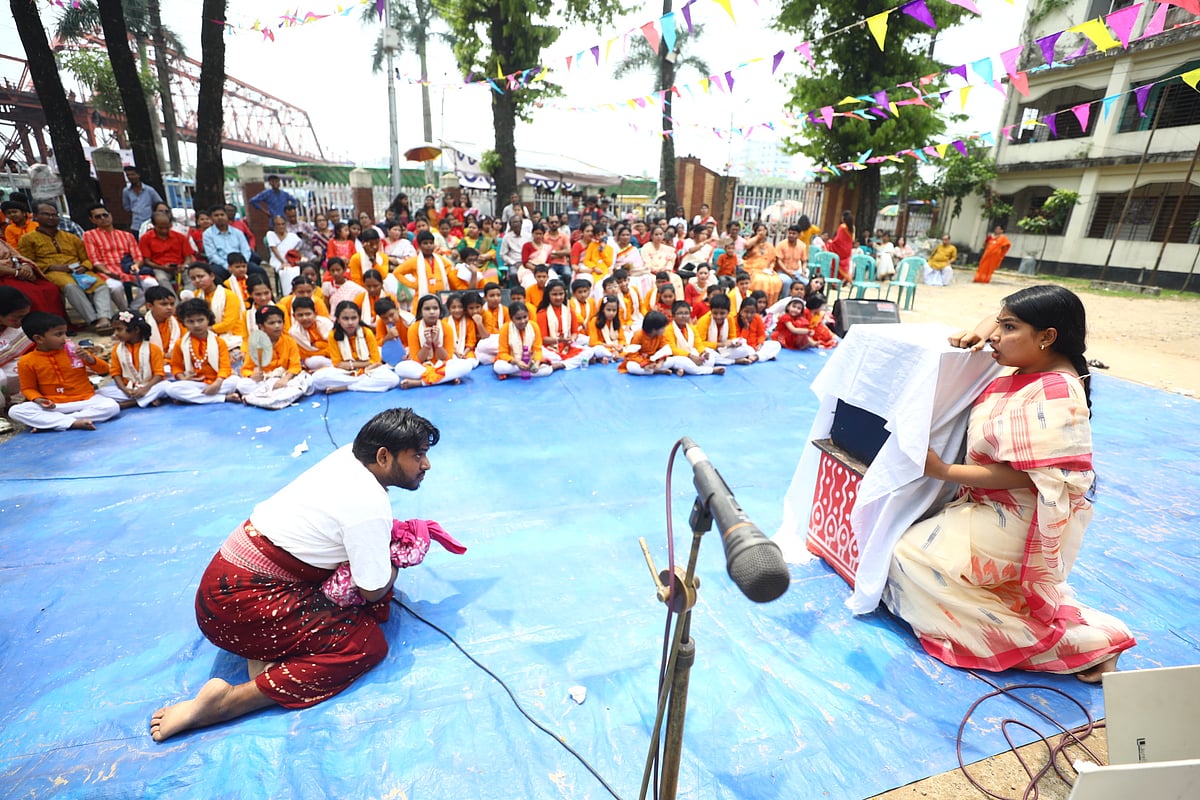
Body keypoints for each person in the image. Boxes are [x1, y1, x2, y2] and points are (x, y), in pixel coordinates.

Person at [882, 285, 1136, 680]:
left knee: (907, 558)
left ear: (1047, 337)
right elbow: (1002, 323)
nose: (996, 336)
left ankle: (1085, 646)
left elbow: (1025, 474)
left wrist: (943, 471)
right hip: (990, 506)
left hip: (1020, 517)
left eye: (1009, 327)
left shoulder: (1058, 389)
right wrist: (986, 327)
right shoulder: (1036, 363)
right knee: (913, 555)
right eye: (999, 324)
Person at [150, 408, 443, 741]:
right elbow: (373, 590)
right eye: (417, 455)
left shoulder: (348, 454)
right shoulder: (368, 507)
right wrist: (398, 558)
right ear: (383, 455)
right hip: (237, 613)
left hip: (218, 592)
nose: (426, 465)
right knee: (365, 643)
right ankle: (229, 703)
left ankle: (268, 649)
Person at [8, 311, 119, 431]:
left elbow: (104, 370)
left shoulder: (74, 351)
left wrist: (89, 358)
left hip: (85, 399)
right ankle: (66, 422)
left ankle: (59, 421)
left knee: (112, 407)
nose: (65, 338)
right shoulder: (26, 361)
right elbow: (28, 388)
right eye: (59, 334)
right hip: (53, 405)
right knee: (15, 411)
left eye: (65, 333)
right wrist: (38, 398)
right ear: (39, 339)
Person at [18, 203, 114, 333]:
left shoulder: (70, 237)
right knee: (70, 286)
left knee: (100, 285)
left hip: (78, 271)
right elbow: (28, 261)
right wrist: (51, 266)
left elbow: (87, 258)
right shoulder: (28, 239)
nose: (52, 218)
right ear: (35, 217)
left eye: (54, 215)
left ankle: (104, 319)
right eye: (46, 214)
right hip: (53, 272)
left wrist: (84, 266)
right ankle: (93, 321)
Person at [310, 301, 400, 394]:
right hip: (346, 373)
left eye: (354, 318)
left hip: (370, 371)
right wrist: (359, 365)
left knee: (393, 379)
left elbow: (376, 361)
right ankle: (363, 384)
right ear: (338, 319)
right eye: (345, 318)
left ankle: (348, 387)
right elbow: (338, 364)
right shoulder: (333, 335)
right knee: (317, 378)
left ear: (359, 318)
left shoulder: (366, 333)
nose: (350, 322)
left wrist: (351, 365)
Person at [164, 298, 240, 404]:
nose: (196, 325)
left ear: (208, 320)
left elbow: (225, 367)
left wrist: (217, 383)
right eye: (190, 321)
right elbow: (176, 366)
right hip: (195, 382)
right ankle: (222, 398)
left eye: (200, 320)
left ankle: (193, 398)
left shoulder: (219, 342)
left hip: (219, 381)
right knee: (171, 389)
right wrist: (183, 379)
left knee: (235, 382)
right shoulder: (180, 344)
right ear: (184, 323)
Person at [237, 305, 311, 409]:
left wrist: (284, 379)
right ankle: (275, 399)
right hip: (265, 380)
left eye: (280, 322)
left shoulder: (289, 341)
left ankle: (257, 399)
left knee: (306, 381)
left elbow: (295, 366)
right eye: (272, 323)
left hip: (285, 378)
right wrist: (252, 376)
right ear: (261, 326)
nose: (277, 326)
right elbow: (246, 369)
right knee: (242, 384)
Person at [394, 294, 474, 390]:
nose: (432, 312)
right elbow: (416, 360)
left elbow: (447, 358)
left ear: (440, 310)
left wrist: (437, 344)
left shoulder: (446, 327)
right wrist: (427, 345)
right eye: (427, 309)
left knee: (467, 365)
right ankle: (446, 378)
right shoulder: (413, 329)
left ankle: (421, 383)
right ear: (420, 311)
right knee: (400, 367)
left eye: (435, 308)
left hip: (443, 364)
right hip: (423, 366)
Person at [98, 310, 169, 409]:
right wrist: (124, 390)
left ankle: (132, 403)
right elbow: (115, 373)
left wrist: (145, 389)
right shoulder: (117, 350)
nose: (116, 334)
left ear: (136, 330)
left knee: (166, 387)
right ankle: (147, 399)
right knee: (101, 392)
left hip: (150, 386)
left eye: (119, 329)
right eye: (114, 330)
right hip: (129, 389)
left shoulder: (153, 349)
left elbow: (159, 374)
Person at [81, 203, 141, 311]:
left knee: (151, 284)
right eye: (98, 217)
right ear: (92, 220)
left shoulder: (127, 235)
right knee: (116, 287)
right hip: (106, 271)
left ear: (111, 215)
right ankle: (125, 311)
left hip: (127, 269)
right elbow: (94, 259)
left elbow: (137, 256)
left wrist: (136, 266)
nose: (103, 218)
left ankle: (133, 309)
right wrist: (108, 272)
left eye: (105, 215)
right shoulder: (89, 235)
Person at [536, 279, 592, 370]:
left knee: (589, 351)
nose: (558, 297)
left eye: (561, 294)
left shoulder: (569, 311)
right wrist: (559, 340)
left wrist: (572, 339)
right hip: (550, 348)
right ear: (548, 295)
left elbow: (575, 332)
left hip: (567, 347)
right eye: (554, 294)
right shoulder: (542, 313)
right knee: (546, 354)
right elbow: (542, 339)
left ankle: (561, 365)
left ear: (565, 294)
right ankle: (569, 362)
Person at [493, 300, 554, 379]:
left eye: (525, 317)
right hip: (513, 362)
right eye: (518, 318)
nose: (522, 321)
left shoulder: (534, 326)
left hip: (530, 361)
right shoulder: (505, 328)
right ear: (511, 318)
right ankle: (522, 370)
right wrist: (517, 362)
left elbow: (537, 349)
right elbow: (503, 353)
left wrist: (537, 363)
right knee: (498, 367)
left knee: (546, 371)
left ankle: (514, 373)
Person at [140, 210, 194, 295]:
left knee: (192, 277)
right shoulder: (146, 238)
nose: (164, 230)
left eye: (167, 227)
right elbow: (147, 261)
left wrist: (184, 266)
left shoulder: (180, 237)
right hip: (159, 267)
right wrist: (162, 267)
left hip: (180, 266)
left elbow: (188, 257)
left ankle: (188, 300)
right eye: (161, 228)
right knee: (162, 280)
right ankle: (174, 303)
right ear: (154, 225)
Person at [664, 301, 724, 376]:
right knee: (686, 363)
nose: (683, 316)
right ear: (673, 315)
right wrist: (690, 356)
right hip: (677, 356)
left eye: (686, 313)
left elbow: (698, 344)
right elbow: (672, 349)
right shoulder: (668, 330)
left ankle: (682, 369)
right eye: (680, 313)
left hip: (691, 353)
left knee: (710, 360)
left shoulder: (691, 328)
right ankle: (711, 370)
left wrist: (703, 353)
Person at [0, 287, 33, 421]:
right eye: (16, 318)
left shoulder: (14, 326)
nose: (21, 323)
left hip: (5, 365)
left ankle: (9, 401)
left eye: (25, 317)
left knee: (29, 366)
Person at [620, 310, 675, 376]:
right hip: (640, 361)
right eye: (663, 328)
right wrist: (644, 364)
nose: (664, 330)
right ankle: (657, 371)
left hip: (653, 361)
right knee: (630, 366)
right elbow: (632, 354)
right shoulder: (638, 335)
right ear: (654, 329)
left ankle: (654, 370)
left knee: (671, 360)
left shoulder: (660, 336)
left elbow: (664, 350)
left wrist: (660, 363)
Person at [289, 296, 335, 371]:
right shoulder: (294, 332)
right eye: (300, 315)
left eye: (308, 314)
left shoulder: (325, 323)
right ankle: (336, 366)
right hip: (313, 358)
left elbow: (335, 343)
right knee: (315, 361)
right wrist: (324, 349)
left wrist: (318, 344)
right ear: (294, 316)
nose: (304, 318)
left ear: (315, 313)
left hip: (334, 353)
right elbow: (307, 352)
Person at [202, 205, 252, 271]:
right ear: (211, 218)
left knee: (258, 270)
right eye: (216, 215)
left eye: (222, 215)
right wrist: (228, 267)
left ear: (226, 216)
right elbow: (212, 255)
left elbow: (246, 250)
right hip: (221, 265)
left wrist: (241, 265)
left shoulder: (237, 232)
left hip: (240, 262)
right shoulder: (207, 234)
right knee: (216, 272)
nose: (220, 217)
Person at [265, 215, 303, 291]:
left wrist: (297, 259)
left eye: (283, 224)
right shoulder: (270, 234)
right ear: (274, 225)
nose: (281, 226)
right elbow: (274, 249)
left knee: (299, 268)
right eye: (278, 224)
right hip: (277, 260)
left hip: (292, 260)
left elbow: (297, 250)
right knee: (286, 270)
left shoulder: (292, 236)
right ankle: (288, 292)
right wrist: (283, 262)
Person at [122, 166, 163, 233]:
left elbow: (159, 204)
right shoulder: (126, 191)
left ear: (138, 175)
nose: (130, 177)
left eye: (132, 174)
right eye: (128, 175)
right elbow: (126, 207)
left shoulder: (149, 190)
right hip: (136, 226)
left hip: (149, 225)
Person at [587, 294, 625, 364]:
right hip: (603, 348)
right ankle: (612, 356)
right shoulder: (595, 321)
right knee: (598, 350)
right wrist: (612, 346)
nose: (611, 313)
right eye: (608, 310)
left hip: (616, 349)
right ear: (602, 309)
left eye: (614, 310)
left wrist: (620, 346)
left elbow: (622, 339)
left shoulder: (617, 320)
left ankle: (609, 357)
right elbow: (593, 342)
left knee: (633, 347)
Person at [827, 210, 855, 282]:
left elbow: (837, 239)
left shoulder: (842, 227)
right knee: (844, 264)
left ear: (843, 218)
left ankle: (834, 281)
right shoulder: (852, 228)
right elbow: (852, 239)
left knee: (835, 262)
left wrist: (830, 243)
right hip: (848, 250)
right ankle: (842, 279)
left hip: (840, 249)